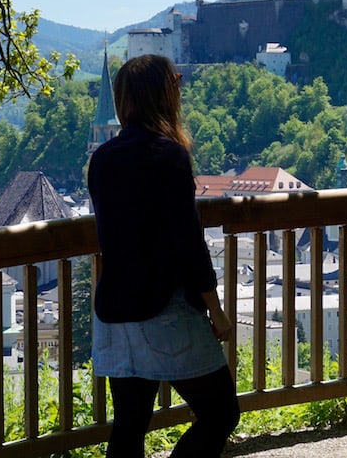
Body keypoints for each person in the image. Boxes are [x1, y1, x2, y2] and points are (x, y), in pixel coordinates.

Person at [88, 54, 240, 457]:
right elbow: (187, 241)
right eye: (176, 83)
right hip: (164, 308)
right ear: (163, 95)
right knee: (221, 411)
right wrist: (216, 309)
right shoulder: (168, 155)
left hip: (115, 310)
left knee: (130, 425)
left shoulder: (102, 159)